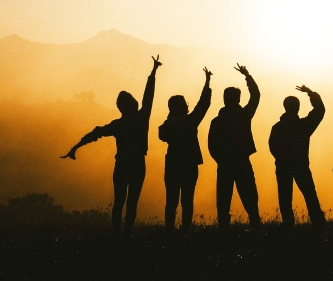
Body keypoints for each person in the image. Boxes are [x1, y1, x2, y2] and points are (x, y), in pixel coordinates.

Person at [61, 55, 162, 239]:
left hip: (123, 165)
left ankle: (119, 237)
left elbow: (95, 133)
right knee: (130, 203)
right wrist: (153, 72)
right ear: (132, 105)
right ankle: (125, 236)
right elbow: (149, 97)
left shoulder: (119, 124)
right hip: (137, 165)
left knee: (120, 202)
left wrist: (75, 147)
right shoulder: (141, 118)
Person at [158, 67, 212, 231]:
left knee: (171, 201)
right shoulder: (189, 122)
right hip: (189, 164)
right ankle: (185, 230)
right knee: (187, 200)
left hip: (172, 164)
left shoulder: (166, 126)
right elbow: (203, 105)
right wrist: (207, 83)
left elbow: (162, 136)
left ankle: (169, 231)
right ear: (184, 107)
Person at [207, 63, 261, 227]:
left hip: (224, 163)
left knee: (223, 197)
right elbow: (256, 96)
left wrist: (220, 159)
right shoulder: (244, 115)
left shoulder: (218, 120)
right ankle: (255, 224)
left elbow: (211, 145)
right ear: (238, 99)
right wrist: (248, 76)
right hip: (241, 161)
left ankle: (224, 227)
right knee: (249, 195)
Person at [268, 85, 326, 227]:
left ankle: (288, 224)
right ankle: (318, 222)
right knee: (310, 194)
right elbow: (320, 110)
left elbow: (272, 147)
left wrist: (282, 158)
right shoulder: (304, 126)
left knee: (285, 197)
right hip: (301, 165)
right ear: (298, 108)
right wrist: (310, 93)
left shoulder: (277, 127)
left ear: (285, 107)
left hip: (283, 166)